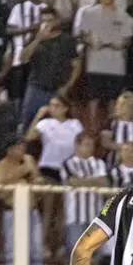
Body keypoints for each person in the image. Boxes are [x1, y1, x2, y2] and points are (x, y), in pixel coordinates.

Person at [0, 138, 55, 265]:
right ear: (10, 150)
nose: (22, 151)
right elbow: (1, 193)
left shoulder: (29, 161)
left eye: (23, 148)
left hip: (32, 211)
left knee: (35, 249)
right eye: (18, 148)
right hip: (12, 212)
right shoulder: (0, 166)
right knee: (12, 250)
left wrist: (35, 178)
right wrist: (19, 173)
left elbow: (38, 185)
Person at [26, 94, 83, 256]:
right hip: (48, 168)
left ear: (65, 108)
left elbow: (80, 142)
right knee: (48, 209)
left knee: (62, 211)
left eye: (57, 105)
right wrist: (38, 115)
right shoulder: (45, 123)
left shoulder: (75, 124)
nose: (53, 108)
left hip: (68, 169)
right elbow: (29, 137)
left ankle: (60, 245)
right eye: (51, 105)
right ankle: (43, 245)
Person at [81, 0, 133, 134]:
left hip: (115, 63)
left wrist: (122, 44)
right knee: (94, 98)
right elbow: (83, 35)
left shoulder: (123, 16)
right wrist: (90, 41)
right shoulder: (89, 13)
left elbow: (128, 38)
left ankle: (113, 128)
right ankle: (92, 129)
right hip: (95, 62)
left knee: (113, 99)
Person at [59, 133, 108, 265]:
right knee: (74, 251)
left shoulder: (99, 162)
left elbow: (104, 182)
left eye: (91, 145)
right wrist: (92, 181)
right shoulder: (67, 163)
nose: (90, 148)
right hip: (75, 215)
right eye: (86, 144)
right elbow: (72, 181)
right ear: (77, 146)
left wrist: (83, 181)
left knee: (94, 251)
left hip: (95, 214)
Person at [20, 6, 81, 129]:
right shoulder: (34, 38)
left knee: (57, 124)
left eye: (50, 20)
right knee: (29, 121)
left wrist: (68, 86)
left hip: (58, 89)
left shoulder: (67, 40)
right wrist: (38, 39)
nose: (47, 23)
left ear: (57, 21)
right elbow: (23, 58)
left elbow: (77, 65)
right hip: (36, 87)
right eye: (44, 20)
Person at [6, 0, 47, 106]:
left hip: (40, 54)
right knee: (18, 90)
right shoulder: (19, 8)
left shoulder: (46, 8)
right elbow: (9, 30)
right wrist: (29, 29)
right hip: (19, 55)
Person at [101, 92, 133, 168]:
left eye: (129, 105)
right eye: (122, 105)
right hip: (113, 159)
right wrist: (126, 150)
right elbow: (106, 143)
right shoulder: (110, 122)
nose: (125, 108)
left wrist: (132, 156)